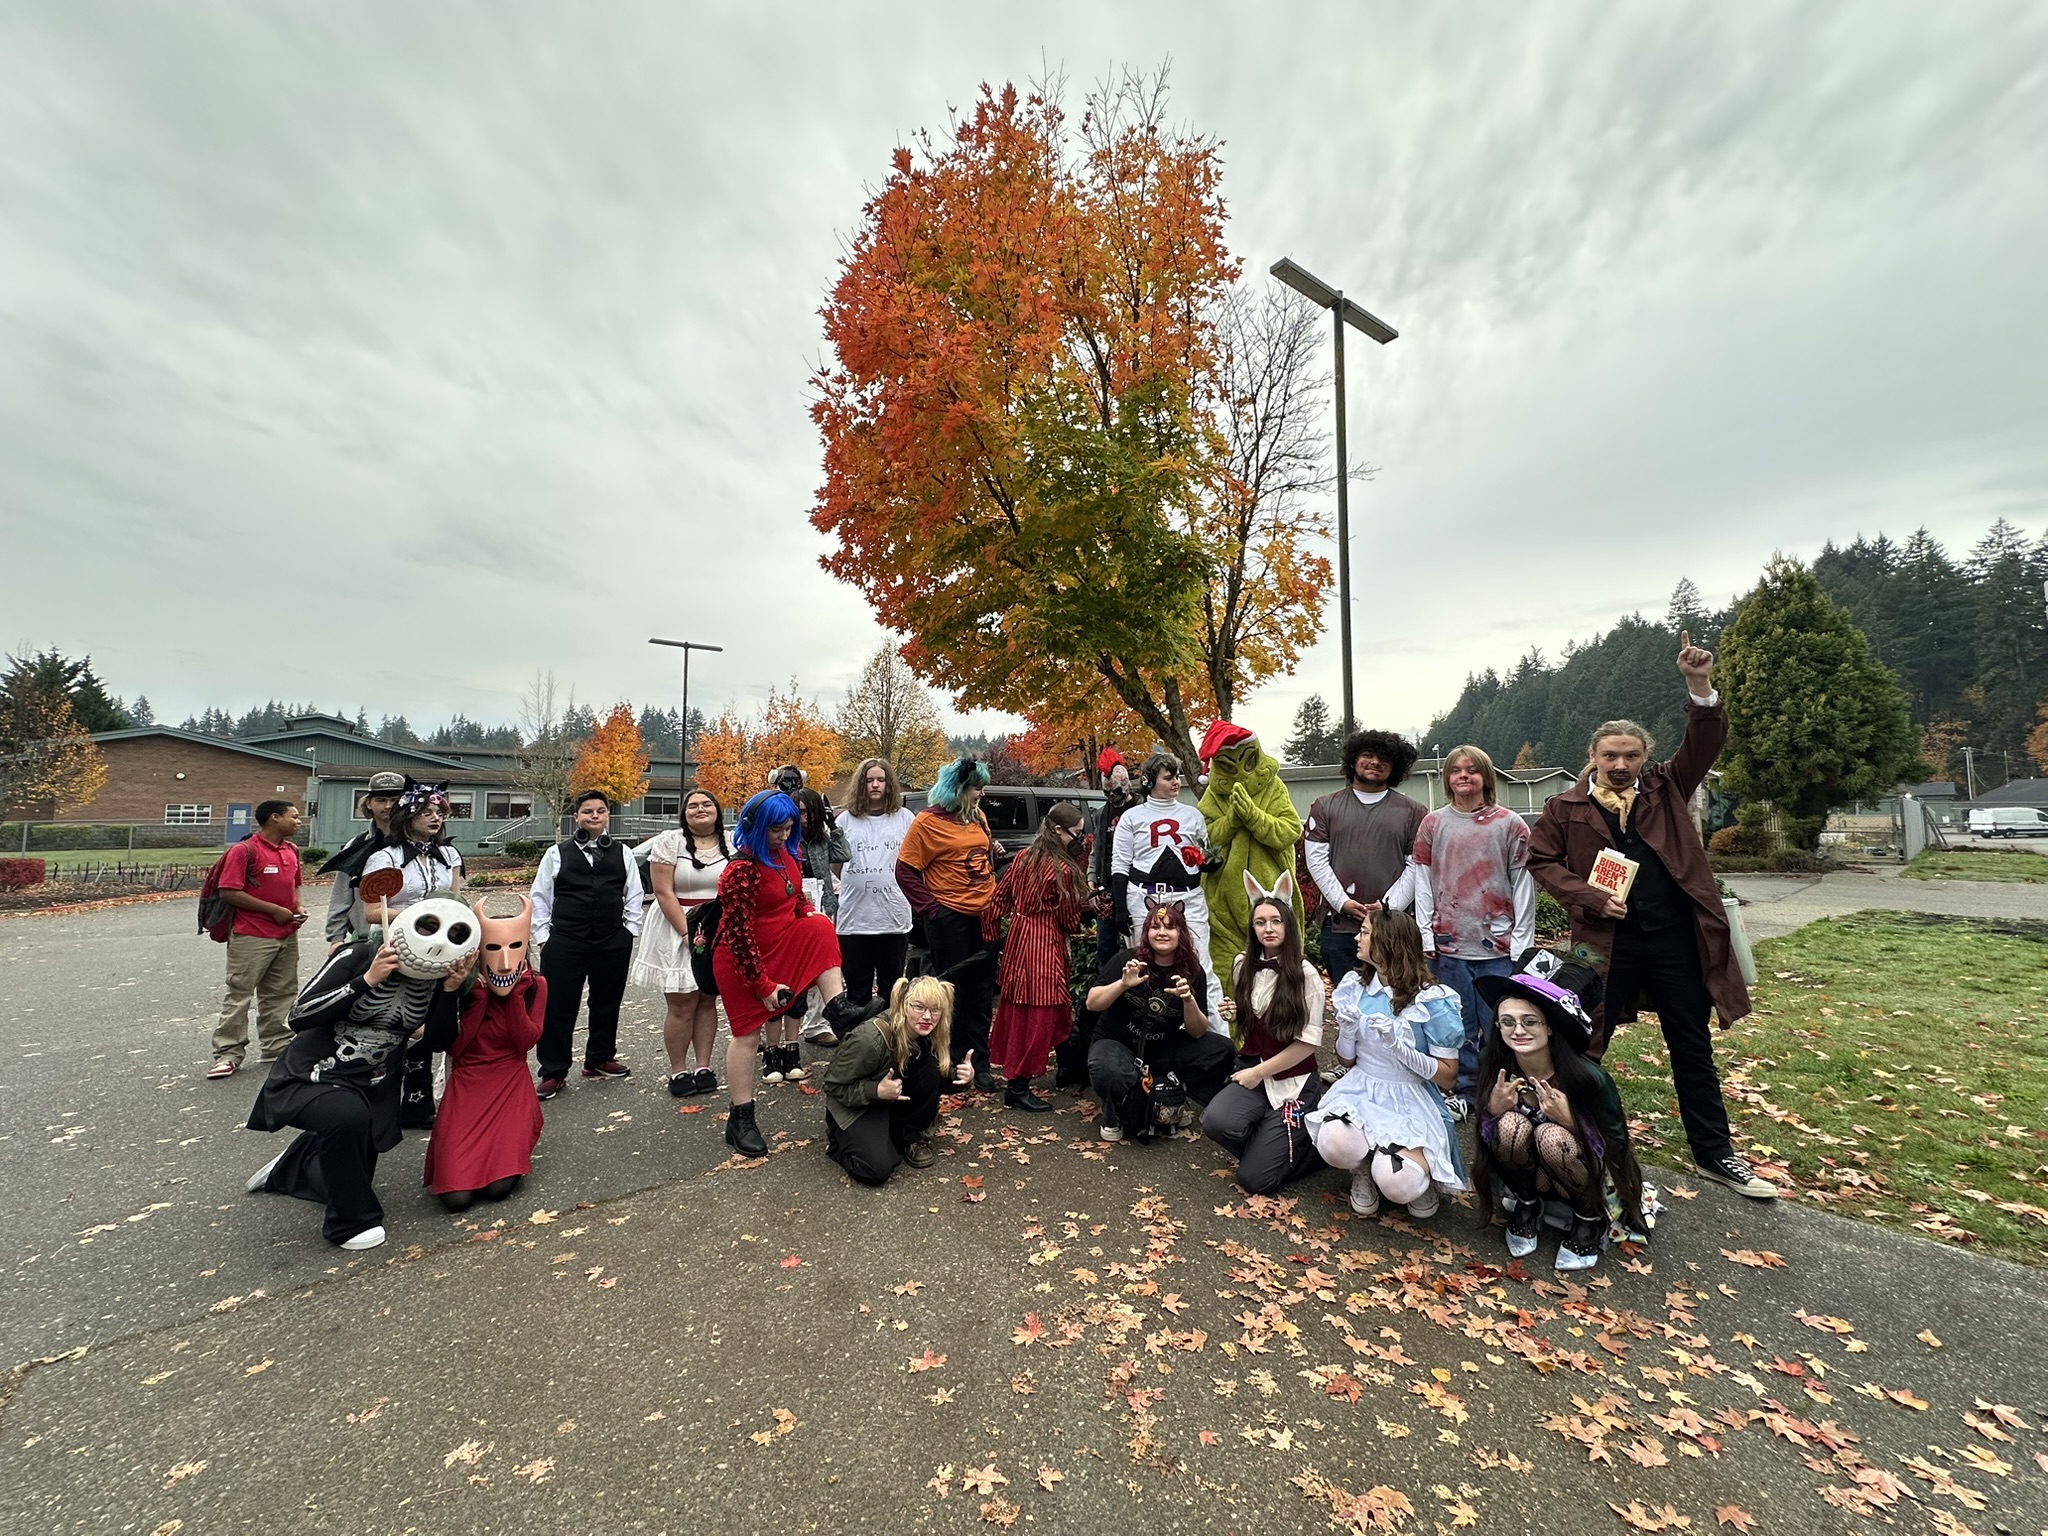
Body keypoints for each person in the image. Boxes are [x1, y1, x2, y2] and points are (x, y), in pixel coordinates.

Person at [1526, 632, 1773, 1201]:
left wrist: (1698, 684)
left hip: (1673, 941)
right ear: (1593, 756)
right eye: (1610, 756)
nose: (1620, 765)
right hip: (1601, 942)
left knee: (1691, 1045)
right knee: (1584, 1038)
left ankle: (1715, 1154)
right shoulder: (1564, 807)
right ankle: (1563, 1138)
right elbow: (1541, 860)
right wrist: (1588, 897)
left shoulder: (1667, 786)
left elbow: (1705, 741)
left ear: (1644, 758)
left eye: (1631, 756)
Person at [244, 918, 469, 1250]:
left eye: (455, 934)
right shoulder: (360, 954)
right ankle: (349, 1225)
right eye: (427, 926)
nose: (437, 940)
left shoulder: (436, 976)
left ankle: (295, 1164)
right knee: (346, 1117)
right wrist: (366, 980)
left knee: (347, 1176)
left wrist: (449, 992)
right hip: (313, 1076)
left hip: (372, 1088)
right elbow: (299, 1014)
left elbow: (437, 1042)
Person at [714, 789, 886, 1158]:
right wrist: (762, 986)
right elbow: (739, 937)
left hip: (780, 944)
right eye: (775, 830)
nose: (783, 836)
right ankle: (740, 1119)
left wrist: (807, 912)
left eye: (788, 829)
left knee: (821, 924)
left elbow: (796, 898)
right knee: (746, 1037)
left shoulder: (787, 855)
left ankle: (838, 1008)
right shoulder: (740, 871)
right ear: (756, 826)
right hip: (743, 960)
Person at [1471, 960, 1650, 1272]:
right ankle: (1527, 1205)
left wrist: (1572, 1122)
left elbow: (1618, 1144)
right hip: (1529, 1177)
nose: (1518, 1031)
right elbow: (1487, 1137)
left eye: (1530, 1021)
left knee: (1550, 1136)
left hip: (1581, 1177)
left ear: (1550, 1026)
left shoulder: (1587, 1078)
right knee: (1510, 1124)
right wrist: (1493, 1110)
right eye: (1507, 1022)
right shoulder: (1494, 1062)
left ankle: (1588, 1218)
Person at [1307, 909, 1466, 1219]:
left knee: (1398, 1182)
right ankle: (1363, 1168)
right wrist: (1347, 1032)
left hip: (1410, 1096)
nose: (1357, 937)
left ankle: (1419, 1175)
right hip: (1363, 1088)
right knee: (1333, 1141)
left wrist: (1402, 1051)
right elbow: (1346, 1060)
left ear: (1388, 943)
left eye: (1365, 932)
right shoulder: (1355, 987)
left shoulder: (1432, 999)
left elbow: (1448, 1077)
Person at [1411, 744, 1535, 1117]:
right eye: (1456, 770)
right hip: (1448, 947)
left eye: (1472, 770)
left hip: (1498, 949)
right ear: (1447, 779)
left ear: (1486, 776)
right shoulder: (1433, 824)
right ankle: (1465, 1092)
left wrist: (1522, 942)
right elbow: (1423, 882)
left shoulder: (1510, 825)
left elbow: (1523, 884)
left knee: (1500, 1025)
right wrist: (1425, 933)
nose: (1464, 776)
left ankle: (1504, 1093)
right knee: (1457, 1026)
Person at [1201, 875, 1327, 1194]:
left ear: (1288, 925)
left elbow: (1307, 1045)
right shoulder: (1242, 965)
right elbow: (1252, 1021)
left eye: (1275, 921)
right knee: (1215, 1121)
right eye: (1260, 922)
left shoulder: (1307, 976)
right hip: (1254, 1070)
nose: (1268, 928)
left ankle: (1313, 1149)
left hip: (1293, 1082)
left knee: (1255, 1180)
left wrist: (1258, 1073)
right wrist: (1234, 1013)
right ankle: (1268, 1143)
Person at [424, 894, 546, 1211]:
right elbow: (454, 1046)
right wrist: (473, 997)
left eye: (514, 947)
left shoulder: (535, 985)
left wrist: (515, 997)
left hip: (510, 1083)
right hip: (467, 1084)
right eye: (493, 948)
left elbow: (525, 1042)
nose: (503, 961)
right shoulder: (462, 988)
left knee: (498, 1189)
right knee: (456, 1198)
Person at [1083, 899, 1235, 1143]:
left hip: (1162, 1047)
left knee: (1223, 1049)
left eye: (1170, 927)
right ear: (1146, 932)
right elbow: (1092, 1003)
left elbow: (1198, 1032)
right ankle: (1117, 1109)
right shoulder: (1127, 960)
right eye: (1155, 927)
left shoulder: (1192, 970)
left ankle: (1171, 1089)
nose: (1162, 932)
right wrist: (1122, 984)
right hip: (1118, 1042)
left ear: (1181, 933)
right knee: (1108, 1069)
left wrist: (1188, 1000)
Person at [896, 757, 1003, 1092]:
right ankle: (950, 1065)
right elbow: (904, 871)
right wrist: (932, 910)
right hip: (950, 920)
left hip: (985, 918)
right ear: (957, 789)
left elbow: (978, 857)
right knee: (952, 994)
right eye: (976, 788)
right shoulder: (926, 823)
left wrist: (993, 854)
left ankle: (979, 1065)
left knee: (982, 994)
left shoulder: (977, 817)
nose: (981, 794)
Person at [530, 790, 644, 1100]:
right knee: (558, 1005)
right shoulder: (556, 853)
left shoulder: (623, 853)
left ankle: (599, 1058)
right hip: (565, 940)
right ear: (576, 817)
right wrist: (543, 938)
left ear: (608, 815)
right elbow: (540, 897)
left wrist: (629, 931)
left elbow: (634, 893)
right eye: (588, 811)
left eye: (600, 811)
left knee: (607, 1000)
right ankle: (553, 1070)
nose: (594, 816)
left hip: (612, 939)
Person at [984, 802, 1092, 1112]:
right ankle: (1018, 1085)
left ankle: (1067, 1067)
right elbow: (1068, 919)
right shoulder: (1063, 870)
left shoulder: (1023, 857)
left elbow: (997, 901)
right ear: (1059, 830)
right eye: (1077, 833)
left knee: (1035, 1009)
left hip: (1019, 939)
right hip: (1044, 943)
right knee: (1041, 1013)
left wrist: (991, 937)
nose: (1080, 838)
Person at [819, 975, 976, 1185]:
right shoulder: (870, 1039)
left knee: (931, 1067)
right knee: (876, 1170)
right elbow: (832, 1086)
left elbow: (934, 1078)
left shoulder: (930, 1031)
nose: (927, 1016)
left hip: (890, 1095)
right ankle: (839, 1141)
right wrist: (875, 1090)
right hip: (855, 1104)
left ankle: (910, 1135)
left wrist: (962, 1077)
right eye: (919, 1007)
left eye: (935, 1009)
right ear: (903, 1005)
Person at [1303, 730, 1427, 986]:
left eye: (1384, 758)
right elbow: (1316, 861)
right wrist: (1341, 902)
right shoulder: (1324, 807)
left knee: (1397, 997)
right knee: (1346, 999)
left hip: (1394, 927)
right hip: (1338, 926)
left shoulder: (1414, 812)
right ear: (1353, 760)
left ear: (1395, 766)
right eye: (1368, 755)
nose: (1375, 762)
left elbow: (1417, 864)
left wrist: (1390, 905)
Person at [628, 787, 729, 1098]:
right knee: (682, 1003)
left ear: (717, 810)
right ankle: (678, 1070)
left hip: (718, 925)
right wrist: (687, 932)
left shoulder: (732, 842)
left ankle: (703, 1066)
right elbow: (663, 891)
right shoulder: (669, 842)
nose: (700, 809)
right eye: (692, 805)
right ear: (684, 814)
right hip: (678, 925)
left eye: (707, 803)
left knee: (707, 999)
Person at [1109, 752, 1224, 1024]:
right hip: (1144, 896)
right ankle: (1147, 1030)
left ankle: (1216, 1033)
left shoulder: (1192, 815)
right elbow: (1120, 863)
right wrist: (1120, 908)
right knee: (1144, 964)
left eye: (1176, 776)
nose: (1176, 782)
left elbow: (1204, 854)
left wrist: (1208, 862)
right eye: (1168, 777)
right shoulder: (1131, 817)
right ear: (1149, 781)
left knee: (1201, 963)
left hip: (1187, 896)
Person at [1195, 721, 1304, 995]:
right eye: (1230, 767)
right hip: (1223, 905)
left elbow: (1290, 830)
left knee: (1280, 976)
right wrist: (1231, 820)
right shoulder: (1211, 798)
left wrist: (1254, 817)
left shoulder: (1274, 787)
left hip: (1273, 897)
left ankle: (1279, 1023)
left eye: (1248, 762)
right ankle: (1231, 1024)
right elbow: (1205, 840)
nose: (1242, 774)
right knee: (1226, 976)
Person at [207, 799, 307, 1080]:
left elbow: (295, 884)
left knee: (281, 993)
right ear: (274, 818)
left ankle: (277, 1046)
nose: (299, 821)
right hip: (251, 934)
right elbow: (229, 891)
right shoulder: (244, 850)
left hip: (286, 933)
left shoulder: (291, 849)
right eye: (294, 816)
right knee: (240, 994)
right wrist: (274, 910)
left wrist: (298, 907)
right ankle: (228, 1053)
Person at [835, 758, 917, 1007]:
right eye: (869, 780)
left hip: (893, 921)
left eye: (880, 780)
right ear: (860, 784)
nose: (875, 785)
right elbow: (836, 864)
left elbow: (916, 861)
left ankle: (889, 1033)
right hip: (854, 922)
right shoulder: (845, 821)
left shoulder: (905, 818)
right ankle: (859, 1033)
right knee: (856, 994)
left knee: (891, 993)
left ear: (889, 784)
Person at [320, 770, 404, 944]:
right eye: (381, 800)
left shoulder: (422, 845)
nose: (388, 806)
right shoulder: (357, 846)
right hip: (366, 939)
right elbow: (341, 895)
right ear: (368, 804)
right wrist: (336, 938)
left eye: (395, 800)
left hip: (414, 936)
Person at [359, 779, 465, 912]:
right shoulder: (385, 858)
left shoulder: (450, 854)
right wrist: (417, 917)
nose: (436, 818)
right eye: (427, 813)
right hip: (398, 925)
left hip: (440, 924)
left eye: (440, 814)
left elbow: (455, 901)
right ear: (408, 817)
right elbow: (372, 912)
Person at [1092, 750, 1138, 970]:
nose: (1112, 797)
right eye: (1107, 793)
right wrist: (1091, 878)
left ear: (1126, 785)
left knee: (1138, 946)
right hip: (1107, 889)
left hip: (1135, 887)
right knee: (1105, 948)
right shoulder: (1101, 814)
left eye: (1116, 791)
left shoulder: (1141, 809)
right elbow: (1096, 850)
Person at [794, 787, 852, 919]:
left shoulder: (821, 839)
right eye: (802, 812)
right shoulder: (789, 842)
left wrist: (832, 826)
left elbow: (844, 854)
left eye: (812, 810)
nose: (808, 816)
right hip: (798, 907)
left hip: (824, 905)